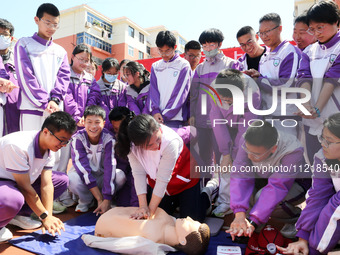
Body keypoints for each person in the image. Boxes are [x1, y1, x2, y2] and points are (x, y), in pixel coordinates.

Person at [0, 111, 76, 242]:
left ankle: (18, 215)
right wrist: (44, 217)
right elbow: (24, 187)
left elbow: (47, 184)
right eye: (62, 140)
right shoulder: (17, 145)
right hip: (4, 180)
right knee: (13, 199)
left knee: (61, 180)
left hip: (16, 180)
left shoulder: (49, 146)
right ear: (46, 132)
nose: (63, 145)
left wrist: (48, 215)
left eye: (66, 142)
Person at [228, 121, 311, 240]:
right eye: (247, 151)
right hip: (265, 178)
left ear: (273, 149)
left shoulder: (293, 149)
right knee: (246, 197)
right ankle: (252, 225)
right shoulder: (247, 140)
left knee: (260, 197)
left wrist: (254, 220)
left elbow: (277, 187)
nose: (250, 156)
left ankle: (296, 218)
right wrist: (239, 214)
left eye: (255, 154)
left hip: (296, 183)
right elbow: (240, 174)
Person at [115, 114, 205, 222]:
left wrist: (150, 213)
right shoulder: (131, 146)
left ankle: (207, 193)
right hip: (161, 187)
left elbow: (163, 179)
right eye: (149, 145)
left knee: (192, 222)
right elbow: (138, 174)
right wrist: (143, 207)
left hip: (185, 181)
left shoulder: (170, 141)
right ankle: (175, 202)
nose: (157, 146)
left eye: (158, 139)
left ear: (158, 128)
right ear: (138, 144)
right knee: (160, 219)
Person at [277, 112, 340, 255]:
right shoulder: (322, 157)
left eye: (329, 141)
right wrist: (303, 238)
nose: (323, 144)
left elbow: (335, 209)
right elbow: (318, 195)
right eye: (322, 138)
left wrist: (312, 250)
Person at [202, 69, 261, 218]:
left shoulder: (252, 92)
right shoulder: (214, 89)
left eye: (230, 99)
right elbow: (217, 121)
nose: (227, 102)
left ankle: (244, 204)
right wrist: (226, 153)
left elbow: (246, 130)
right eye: (224, 99)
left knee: (242, 161)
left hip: (249, 126)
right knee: (225, 162)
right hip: (226, 124)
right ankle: (225, 201)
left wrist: (235, 153)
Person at [295, 0, 340, 165]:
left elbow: (332, 80)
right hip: (312, 123)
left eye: (320, 27)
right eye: (312, 29)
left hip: (335, 120)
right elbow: (303, 78)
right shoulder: (308, 51)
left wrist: (317, 109)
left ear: (336, 22)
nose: (316, 33)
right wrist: (306, 106)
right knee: (317, 169)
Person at [14, 3, 70, 131]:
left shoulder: (61, 51)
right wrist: (45, 102)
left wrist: (55, 100)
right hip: (32, 109)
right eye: (47, 22)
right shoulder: (24, 44)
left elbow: (63, 78)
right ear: (36, 20)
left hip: (54, 109)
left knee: (53, 149)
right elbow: (26, 77)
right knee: (30, 147)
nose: (51, 28)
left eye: (55, 25)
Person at [190, 28, 238, 169]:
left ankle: (223, 189)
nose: (207, 49)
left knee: (224, 155)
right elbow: (194, 94)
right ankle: (208, 187)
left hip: (223, 119)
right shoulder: (200, 69)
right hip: (202, 119)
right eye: (204, 46)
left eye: (211, 45)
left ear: (219, 44)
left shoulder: (230, 64)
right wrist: (192, 114)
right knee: (204, 156)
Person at [69, 105, 126, 213]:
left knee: (120, 176)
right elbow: (84, 170)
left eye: (97, 122)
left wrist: (107, 198)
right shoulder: (77, 139)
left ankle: (109, 200)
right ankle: (86, 201)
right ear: (84, 122)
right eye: (89, 122)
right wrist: (99, 198)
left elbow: (110, 168)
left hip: (102, 177)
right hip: (85, 177)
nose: (93, 126)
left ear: (104, 123)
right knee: (71, 179)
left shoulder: (109, 139)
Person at [252, 13, 301, 136]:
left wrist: (259, 79)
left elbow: (286, 86)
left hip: (285, 117)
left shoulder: (290, 52)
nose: (264, 36)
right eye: (261, 33)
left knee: (288, 153)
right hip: (266, 116)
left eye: (267, 31)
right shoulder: (264, 55)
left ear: (280, 29)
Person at [88, 206, 210, 255]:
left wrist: (95, 240)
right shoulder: (171, 221)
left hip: (104, 224)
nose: (189, 218)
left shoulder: (153, 239)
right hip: (113, 214)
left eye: (191, 224)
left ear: (183, 241)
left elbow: (123, 245)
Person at [147, 30, 191, 129]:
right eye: (160, 50)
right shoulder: (155, 66)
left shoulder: (183, 65)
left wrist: (164, 115)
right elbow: (153, 91)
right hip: (157, 119)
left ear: (175, 47)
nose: (163, 54)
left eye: (167, 50)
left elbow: (180, 95)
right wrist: (155, 111)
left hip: (175, 120)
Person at [64, 44, 101, 129]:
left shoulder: (90, 78)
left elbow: (94, 96)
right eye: (81, 59)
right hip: (68, 121)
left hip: (85, 122)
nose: (84, 63)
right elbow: (67, 97)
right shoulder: (65, 74)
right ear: (73, 57)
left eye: (87, 60)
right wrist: (76, 117)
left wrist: (87, 115)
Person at [108, 107, 138, 207]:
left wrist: (136, 204)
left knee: (135, 204)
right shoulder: (111, 138)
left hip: (138, 178)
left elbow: (138, 174)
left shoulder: (138, 138)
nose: (118, 132)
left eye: (120, 128)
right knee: (123, 204)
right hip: (124, 178)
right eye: (115, 129)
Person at [0, 18, 20, 135]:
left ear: (11, 38)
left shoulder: (19, 61)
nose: (1, 38)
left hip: (16, 113)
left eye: (4, 35)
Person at [97, 57, 127, 130]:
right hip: (102, 125)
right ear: (103, 71)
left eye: (115, 73)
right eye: (109, 73)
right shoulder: (96, 86)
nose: (112, 76)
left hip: (119, 126)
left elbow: (122, 105)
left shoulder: (122, 86)